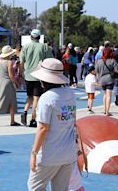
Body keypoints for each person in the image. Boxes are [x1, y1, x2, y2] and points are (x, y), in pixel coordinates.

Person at [27, 58, 77, 191]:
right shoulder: (70, 94)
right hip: (68, 151)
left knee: (35, 187)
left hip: (49, 154)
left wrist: (34, 153)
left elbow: (43, 128)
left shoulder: (47, 98)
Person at [19, 29, 53, 127]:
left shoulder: (25, 47)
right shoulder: (44, 47)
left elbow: (21, 62)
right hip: (39, 76)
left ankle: (25, 112)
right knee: (36, 99)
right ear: (39, 37)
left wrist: (21, 74)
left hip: (28, 75)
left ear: (31, 37)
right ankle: (33, 119)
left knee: (29, 96)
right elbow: (49, 60)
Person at [0, 45, 20, 126]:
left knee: (0, 99)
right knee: (12, 101)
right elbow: (11, 75)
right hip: (8, 83)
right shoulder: (9, 62)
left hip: (1, 82)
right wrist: (16, 83)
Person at [95, 47, 118, 116]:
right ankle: (107, 111)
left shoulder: (99, 61)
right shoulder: (112, 61)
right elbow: (116, 70)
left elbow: (96, 71)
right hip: (110, 79)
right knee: (109, 95)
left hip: (102, 79)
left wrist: (98, 80)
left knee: (105, 94)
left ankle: (104, 110)